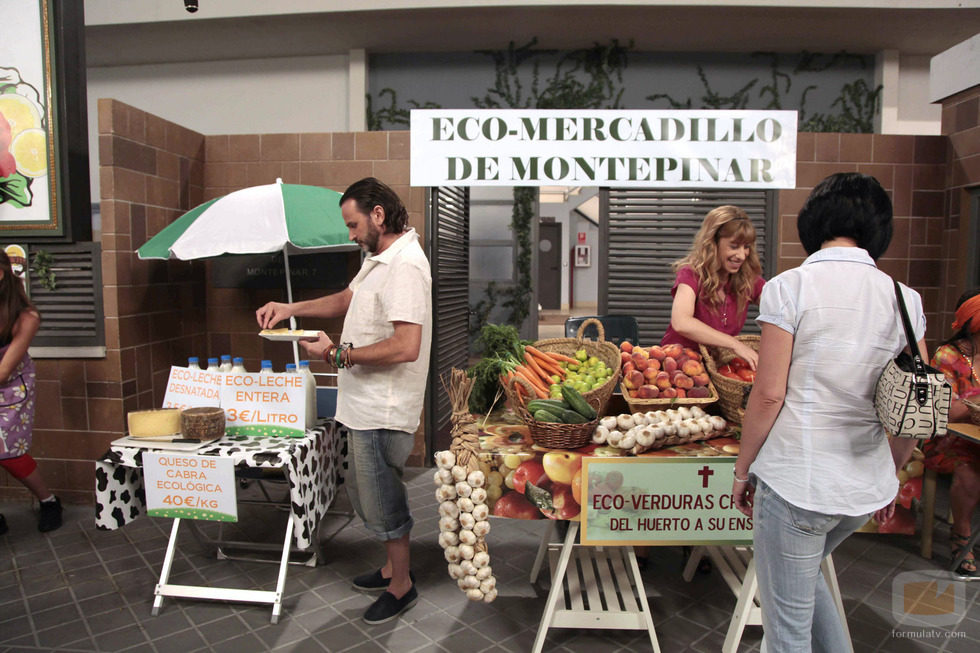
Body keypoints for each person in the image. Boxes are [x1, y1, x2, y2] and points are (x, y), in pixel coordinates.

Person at [732, 172, 921, 651]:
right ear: (879, 229)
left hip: (798, 482)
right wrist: (891, 472)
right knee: (806, 582)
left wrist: (741, 470)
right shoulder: (905, 300)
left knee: (787, 633)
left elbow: (769, 393)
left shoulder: (790, 287)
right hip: (861, 490)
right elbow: (914, 404)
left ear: (813, 224)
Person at [256, 177, 431, 625]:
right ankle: (393, 567)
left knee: (382, 499)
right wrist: (291, 309)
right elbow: (347, 300)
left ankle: (401, 585)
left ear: (378, 215)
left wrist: (336, 354)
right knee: (367, 493)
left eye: (353, 225)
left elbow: (406, 345)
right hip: (363, 404)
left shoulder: (405, 266)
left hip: (382, 408)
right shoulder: (379, 260)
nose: (350, 235)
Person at [0, 250, 62, 535]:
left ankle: (49, 502)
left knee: (9, 453)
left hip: (10, 392)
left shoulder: (26, 317)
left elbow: (3, 371)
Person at [661, 204, 766, 369]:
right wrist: (735, 344)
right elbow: (681, 322)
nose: (741, 255)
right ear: (713, 243)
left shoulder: (748, 280)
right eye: (734, 246)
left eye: (746, 247)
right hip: (678, 368)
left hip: (718, 370)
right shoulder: (691, 274)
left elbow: (779, 307)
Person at [922, 288, 980, 579]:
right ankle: (961, 537)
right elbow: (943, 410)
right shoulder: (948, 356)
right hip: (950, 439)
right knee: (970, 470)